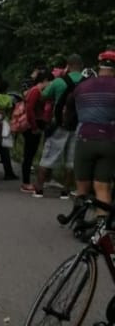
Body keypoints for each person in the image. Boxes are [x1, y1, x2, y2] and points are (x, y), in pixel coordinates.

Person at [66, 49, 115, 223]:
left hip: (85, 138)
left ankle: (78, 221)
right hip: (110, 141)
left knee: (82, 187)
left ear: (99, 65)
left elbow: (69, 106)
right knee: (102, 187)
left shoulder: (83, 86)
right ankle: (101, 226)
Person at [33, 53, 85, 198]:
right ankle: (65, 192)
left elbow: (43, 96)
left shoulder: (59, 82)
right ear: (81, 67)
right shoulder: (87, 82)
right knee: (71, 160)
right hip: (79, 126)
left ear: (68, 65)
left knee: (48, 156)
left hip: (59, 124)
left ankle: (39, 189)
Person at [19, 71, 54, 193]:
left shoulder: (37, 91)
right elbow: (29, 109)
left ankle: (26, 181)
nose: (50, 85)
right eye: (50, 82)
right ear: (44, 80)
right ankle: (25, 182)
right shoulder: (35, 91)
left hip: (35, 124)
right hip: (31, 126)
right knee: (28, 154)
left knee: (31, 154)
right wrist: (34, 127)